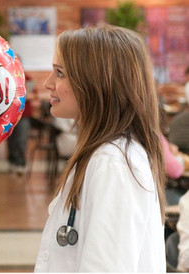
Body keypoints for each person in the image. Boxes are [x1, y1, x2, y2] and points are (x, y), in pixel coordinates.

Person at [34, 25, 166, 272]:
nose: (48, 83)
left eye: (60, 73)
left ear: (95, 83)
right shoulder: (101, 155)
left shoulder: (113, 162)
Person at [7, 75, 35, 174]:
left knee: (21, 139)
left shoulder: (27, 78)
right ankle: (13, 161)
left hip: (24, 115)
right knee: (11, 140)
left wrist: (20, 96)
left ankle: (21, 163)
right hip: (10, 116)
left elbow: (33, 95)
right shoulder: (7, 76)